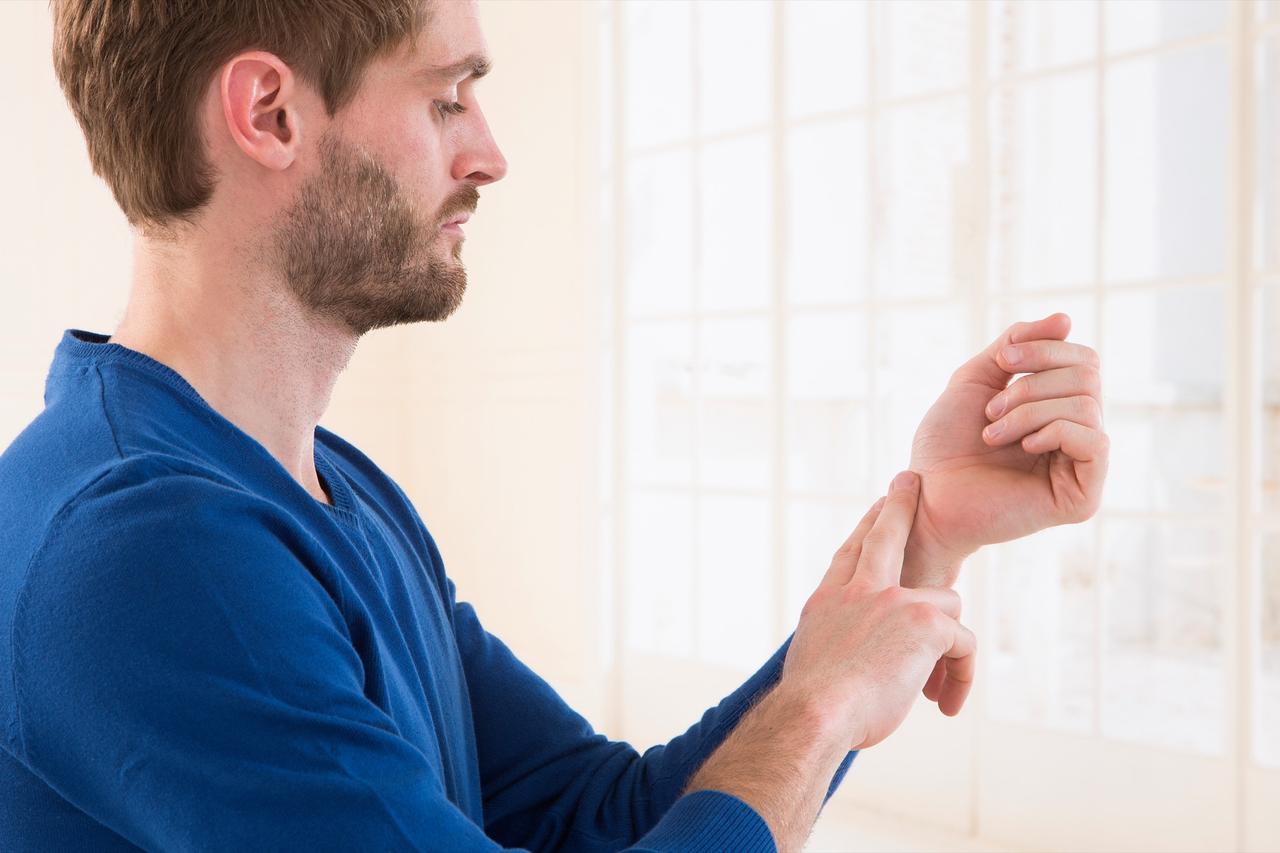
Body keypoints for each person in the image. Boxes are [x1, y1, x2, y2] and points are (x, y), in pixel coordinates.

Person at [0, 1, 1109, 851]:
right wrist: (819, 709)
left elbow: (595, 815)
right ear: (269, 114)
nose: (487, 154)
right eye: (446, 99)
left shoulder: (325, 489)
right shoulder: (151, 549)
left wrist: (921, 540)